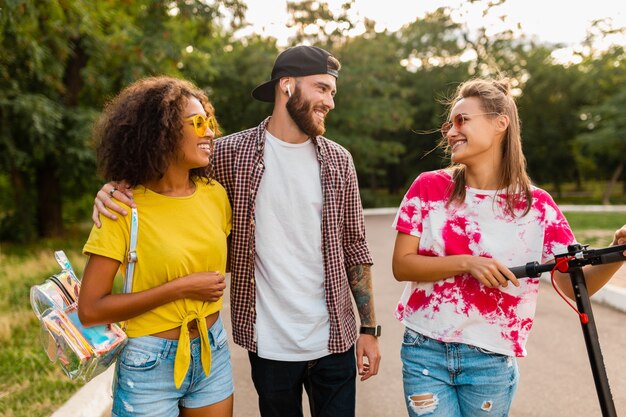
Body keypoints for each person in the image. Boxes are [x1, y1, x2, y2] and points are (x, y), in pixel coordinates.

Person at [92, 45, 381, 417]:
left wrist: (370, 328)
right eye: (322, 89)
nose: (330, 101)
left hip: (334, 338)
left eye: (332, 92)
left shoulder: (339, 160)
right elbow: (163, 173)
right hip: (270, 344)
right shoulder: (228, 154)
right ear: (288, 86)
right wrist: (114, 187)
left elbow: (355, 247)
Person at [391, 77, 626, 417]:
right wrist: (468, 263)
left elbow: (571, 282)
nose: (451, 131)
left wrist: (617, 253)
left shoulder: (538, 207)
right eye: (449, 123)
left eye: (462, 120)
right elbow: (402, 265)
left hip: (491, 357)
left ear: (500, 123)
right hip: (426, 348)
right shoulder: (428, 187)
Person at [79, 76, 234, 417]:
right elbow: (90, 309)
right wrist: (180, 288)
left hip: (213, 350)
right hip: (149, 361)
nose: (209, 131)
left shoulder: (215, 195)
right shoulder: (122, 206)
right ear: (161, 132)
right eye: (197, 122)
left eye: (209, 121)